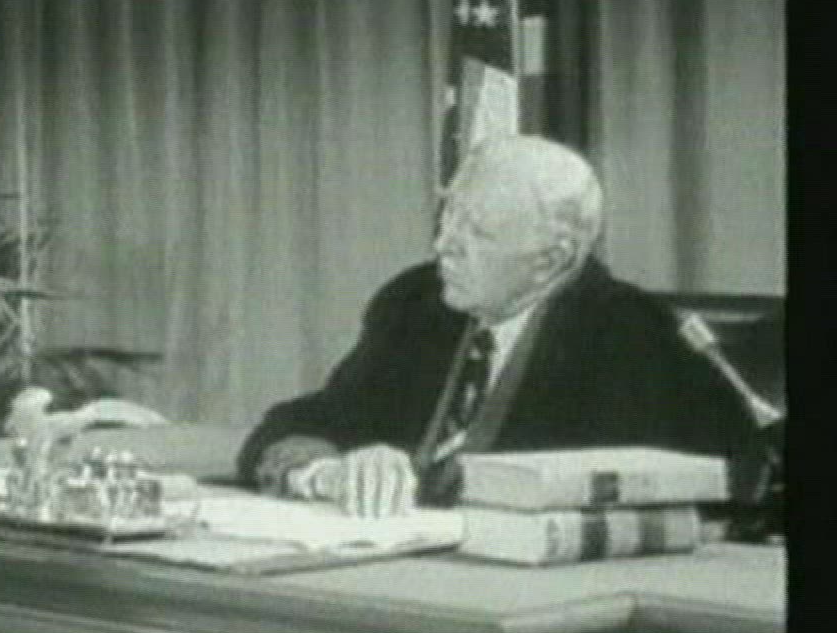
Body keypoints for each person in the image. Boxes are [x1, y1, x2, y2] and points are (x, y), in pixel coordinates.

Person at [237, 135, 763, 516]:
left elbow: (723, 493)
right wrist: (329, 471)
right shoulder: (416, 304)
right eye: (448, 216)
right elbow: (300, 424)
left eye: (477, 232)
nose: (443, 245)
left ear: (552, 259)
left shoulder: (638, 341)